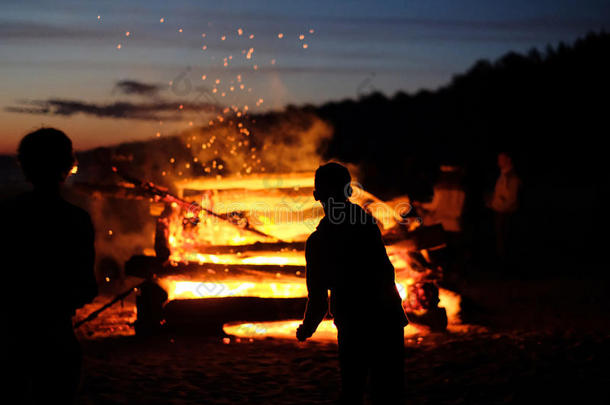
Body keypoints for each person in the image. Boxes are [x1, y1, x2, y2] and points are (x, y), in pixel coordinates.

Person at [296, 162, 408, 405]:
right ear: (349, 192)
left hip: (353, 322)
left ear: (316, 196)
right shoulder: (368, 227)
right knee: (390, 392)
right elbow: (386, 273)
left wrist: (307, 328)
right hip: (387, 318)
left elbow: (318, 300)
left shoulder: (318, 242)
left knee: (353, 390)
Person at [1, 128, 98, 404]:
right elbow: (86, 289)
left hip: (9, 337)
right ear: (67, 167)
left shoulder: (5, 215)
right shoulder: (76, 220)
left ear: (24, 166)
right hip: (56, 340)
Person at [488, 151, 522, 268]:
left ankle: (507, 268)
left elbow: (512, 199)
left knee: (506, 242)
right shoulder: (502, 176)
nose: (498, 162)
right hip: (500, 213)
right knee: (500, 242)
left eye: (501, 159)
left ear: (508, 160)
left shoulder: (512, 178)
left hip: (507, 214)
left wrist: (498, 207)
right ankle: (503, 266)